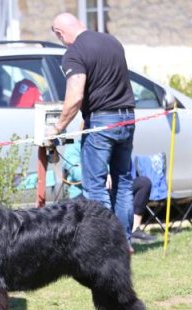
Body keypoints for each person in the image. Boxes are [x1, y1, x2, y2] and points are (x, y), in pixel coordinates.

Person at [47, 13, 136, 250]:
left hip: (103, 122)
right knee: (123, 182)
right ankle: (125, 241)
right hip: (127, 118)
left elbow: (75, 96)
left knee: (95, 186)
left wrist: (58, 127)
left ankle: (107, 244)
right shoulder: (112, 41)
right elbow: (110, 82)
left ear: (59, 33)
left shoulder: (74, 52)